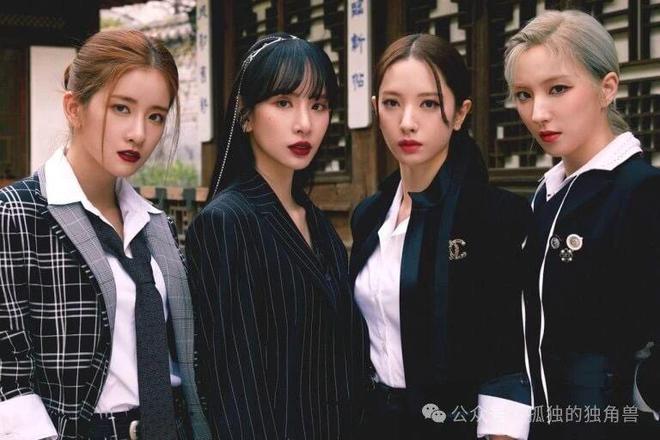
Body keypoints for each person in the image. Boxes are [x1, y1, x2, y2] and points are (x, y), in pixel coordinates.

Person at [0, 29, 210, 439]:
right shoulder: (17, 215)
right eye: (121, 108)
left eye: (155, 116)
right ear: (74, 108)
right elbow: (7, 375)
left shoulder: (156, 226)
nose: (139, 133)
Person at [186, 33, 369, 439]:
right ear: (246, 116)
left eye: (318, 105)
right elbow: (235, 387)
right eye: (284, 103)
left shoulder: (316, 222)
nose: (304, 123)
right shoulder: (226, 223)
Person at [350, 33, 533, 440]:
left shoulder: (495, 216)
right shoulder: (369, 216)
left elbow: (507, 358)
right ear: (376, 109)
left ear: (460, 112)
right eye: (392, 103)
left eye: (429, 104)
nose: (407, 121)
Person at [504, 9, 660, 439]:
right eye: (523, 95)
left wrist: (637, 400)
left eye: (558, 89)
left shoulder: (642, 192)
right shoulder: (546, 195)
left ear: (607, 87)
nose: (538, 112)